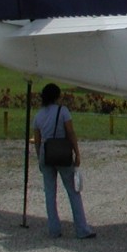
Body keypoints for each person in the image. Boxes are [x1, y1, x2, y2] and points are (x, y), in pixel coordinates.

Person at [32, 83, 96, 239]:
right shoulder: (63, 111)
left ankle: (54, 229)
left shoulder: (38, 115)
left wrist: (39, 157)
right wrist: (77, 152)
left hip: (45, 153)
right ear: (57, 96)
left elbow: (37, 139)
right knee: (73, 191)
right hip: (62, 151)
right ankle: (81, 228)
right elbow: (70, 132)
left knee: (50, 193)